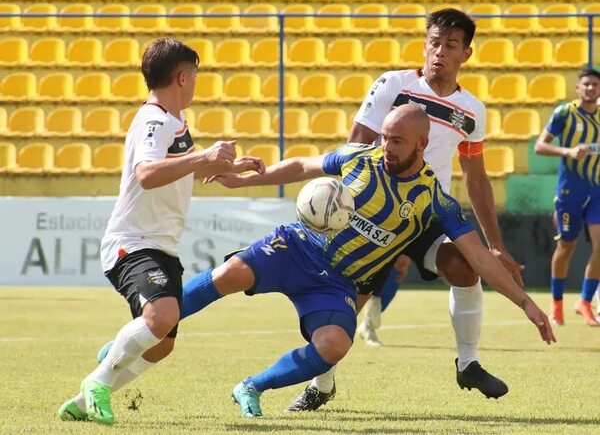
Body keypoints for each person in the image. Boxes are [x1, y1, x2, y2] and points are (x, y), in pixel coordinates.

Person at [180, 104, 555, 418]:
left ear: (422, 144)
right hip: (298, 247)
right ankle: (153, 320)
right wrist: (243, 180)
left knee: (334, 345)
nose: (386, 146)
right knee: (231, 273)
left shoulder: (434, 200)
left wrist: (525, 303)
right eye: (385, 137)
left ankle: (252, 386)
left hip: (339, 281)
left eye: (397, 140)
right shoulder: (359, 157)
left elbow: (478, 256)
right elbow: (300, 167)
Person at [286, 7, 526, 411]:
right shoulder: (393, 85)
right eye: (434, 42)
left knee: (465, 268)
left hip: (427, 214)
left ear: (466, 54)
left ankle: (467, 363)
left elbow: (477, 178)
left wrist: (495, 244)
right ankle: (320, 384)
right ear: (424, 44)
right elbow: (356, 145)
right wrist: (342, 210)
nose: (439, 52)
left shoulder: (472, 111)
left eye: (450, 45)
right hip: (374, 211)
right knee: (347, 304)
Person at [56, 37, 264, 425]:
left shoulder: (174, 122)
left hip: (161, 246)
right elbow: (147, 175)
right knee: (162, 314)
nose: (197, 82)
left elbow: (179, 168)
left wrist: (226, 167)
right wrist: (202, 156)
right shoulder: (154, 121)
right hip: (133, 243)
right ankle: (97, 383)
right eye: (197, 75)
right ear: (183, 77)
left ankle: (83, 404)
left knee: (161, 346)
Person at [534, 68, 600, 327]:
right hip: (569, 192)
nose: (590, 89)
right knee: (567, 247)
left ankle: (584, 301)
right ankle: (557, 303)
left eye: (595, 85)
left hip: (597, 190)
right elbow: (540, 145)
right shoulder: (565, 113)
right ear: (578, 88)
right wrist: (568, 151)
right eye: (586, 84)